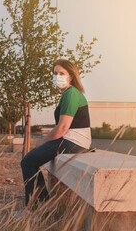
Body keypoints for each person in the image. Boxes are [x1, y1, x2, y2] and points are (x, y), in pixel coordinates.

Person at [14, 59, 92, 218]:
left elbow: (63, 128)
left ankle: (33, 210)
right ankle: (43, 204)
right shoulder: (69, 93)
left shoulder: (71, 93)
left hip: (73, 141)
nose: (58, 76)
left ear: (70, 76)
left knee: (28, 161)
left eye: (62, 73)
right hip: (74, 140)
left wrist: (42, 142)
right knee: (31, 161)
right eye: (55, 73)